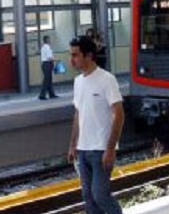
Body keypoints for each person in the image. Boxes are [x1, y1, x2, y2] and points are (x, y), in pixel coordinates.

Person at [67, 35, 124, 214]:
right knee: (88, 197)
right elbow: (78, 113)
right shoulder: (78, 82)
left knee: (100, 195)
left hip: (101, 149)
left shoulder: (107, 79)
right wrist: (73, 145)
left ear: (89, 55)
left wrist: (110, 148)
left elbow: (119, 114)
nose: (71, 60)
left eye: (75, 55)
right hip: (83, 149)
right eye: (71, 55)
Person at [38, 35, 58, 100]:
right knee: (47, 80)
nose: (50, 40)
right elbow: (49, 57)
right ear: (47, 40)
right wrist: (56, 60)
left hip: (45, 64)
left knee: (49, 80)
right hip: (47, 64)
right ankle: (42, 95)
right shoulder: (47, 47)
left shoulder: (43, 47)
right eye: (49, 39)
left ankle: (51, 94)